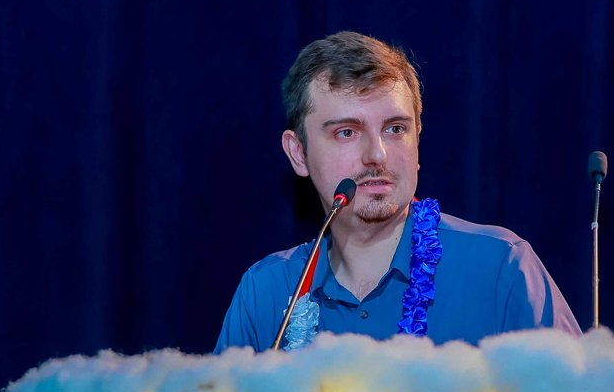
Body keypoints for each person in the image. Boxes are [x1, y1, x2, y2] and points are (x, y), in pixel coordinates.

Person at [214, 31, 579, 353]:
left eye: (394, 129)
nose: (377, 155)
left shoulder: (502, 268)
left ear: (417, 138)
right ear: (298, 153)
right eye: (346, 132)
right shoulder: (264, 292)